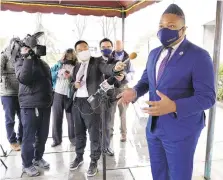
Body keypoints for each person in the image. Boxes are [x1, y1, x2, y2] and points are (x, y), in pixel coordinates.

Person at [118, 4, 215, 180]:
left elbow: (208, 97)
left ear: (183, 29)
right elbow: (146, 82)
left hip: (181, 130)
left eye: (171, 26)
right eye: (162, 26)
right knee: (159, 174)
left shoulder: (199, 56)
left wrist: (174, 106)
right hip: (154, 128)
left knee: (178, 176)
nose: (165, 30)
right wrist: (134, 92)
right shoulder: (154, 54)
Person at [69, 40, 125, 177]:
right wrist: (74, 85)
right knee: (79, 133)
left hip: (92, 104)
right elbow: (71, 83)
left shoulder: (96, 62)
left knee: (94, 134)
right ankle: (79, 156)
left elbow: (107, 68)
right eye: (80, 49)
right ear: (76, 52)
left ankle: (94, 160)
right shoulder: (76, 66)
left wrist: (115, 69)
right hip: (77, 103)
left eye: (86, 48)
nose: (84, 51)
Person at [15, 45, 53, 177]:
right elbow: (24, 78)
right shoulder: (20, 62)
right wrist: (28, 58)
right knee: (29, 136)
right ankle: (27, 164)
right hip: (30, 105)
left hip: (45, 104)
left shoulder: (42, 62)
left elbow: (48, 80)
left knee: (42, 135)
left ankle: (37, 158)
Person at [98, 38, 126, 156]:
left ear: (112, 47)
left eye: (108, 46)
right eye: (104, 47)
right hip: (97, 96)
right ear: (100, 48)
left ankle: (107, 146)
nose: (106, 49)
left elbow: (119, 83)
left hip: (111, 97)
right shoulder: (95, 61)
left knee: (108, 123)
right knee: (98, 124)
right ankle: (98, 146)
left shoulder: (117, 62)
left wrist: (121, 78)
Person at [50, 48, 77, 147]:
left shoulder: (77, 66)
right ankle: (56, 140)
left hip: (70, 95)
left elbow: (79, 79)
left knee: (71, 118)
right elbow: (50, 74)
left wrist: (71, 76)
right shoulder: (58, 64)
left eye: (70, 55)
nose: (68, 56)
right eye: (67, 55)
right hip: (57, 93)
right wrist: (58, 73)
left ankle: (73, 139)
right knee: (56, 117)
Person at [0, 40, 23, 151]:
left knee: (23, 117)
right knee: (10, 119)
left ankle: (21, 138)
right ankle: (12, 141)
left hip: (21, 93)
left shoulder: (21, 56)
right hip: (7, 93)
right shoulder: (3, 56)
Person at [111, 40, 135, 142]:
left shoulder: (129, 58)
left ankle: (123, 133)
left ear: (123, 45)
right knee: (111, 112)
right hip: (111, 88)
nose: (118, 46)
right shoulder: (109, 57)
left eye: (120, 44)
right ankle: (109, 131)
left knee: (123, 113)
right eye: (116, 44)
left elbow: (132, 73)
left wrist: (125, 76)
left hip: (123, 87)